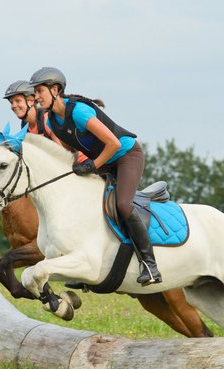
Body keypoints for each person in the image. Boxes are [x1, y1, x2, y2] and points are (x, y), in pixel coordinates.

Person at [28, 67, 162, 285]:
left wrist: (92, 165)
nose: (36, 97)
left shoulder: (79, 112)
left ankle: (150, 264)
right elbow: (70, 152)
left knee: (124, 205)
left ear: (55, 90)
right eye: (35, 93)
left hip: (126, 155)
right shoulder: (52, 121)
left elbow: (113, 143)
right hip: (105, 161)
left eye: (39, 91)